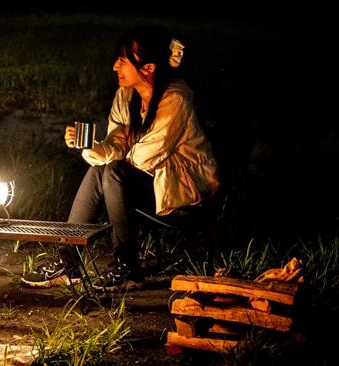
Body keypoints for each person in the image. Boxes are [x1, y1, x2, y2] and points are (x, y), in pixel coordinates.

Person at [22, 25, 219, 290]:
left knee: (113, 172)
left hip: (181, 191)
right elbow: (117, 141)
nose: (115, 66)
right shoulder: (126, 95)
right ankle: (68, 261)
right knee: (100, 170)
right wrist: (92, 147)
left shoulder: (175, 99)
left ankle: (127, 266)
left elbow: (146, 156)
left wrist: (111, 155)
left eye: (123, 60)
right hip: (144, 181)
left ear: (148, 67)